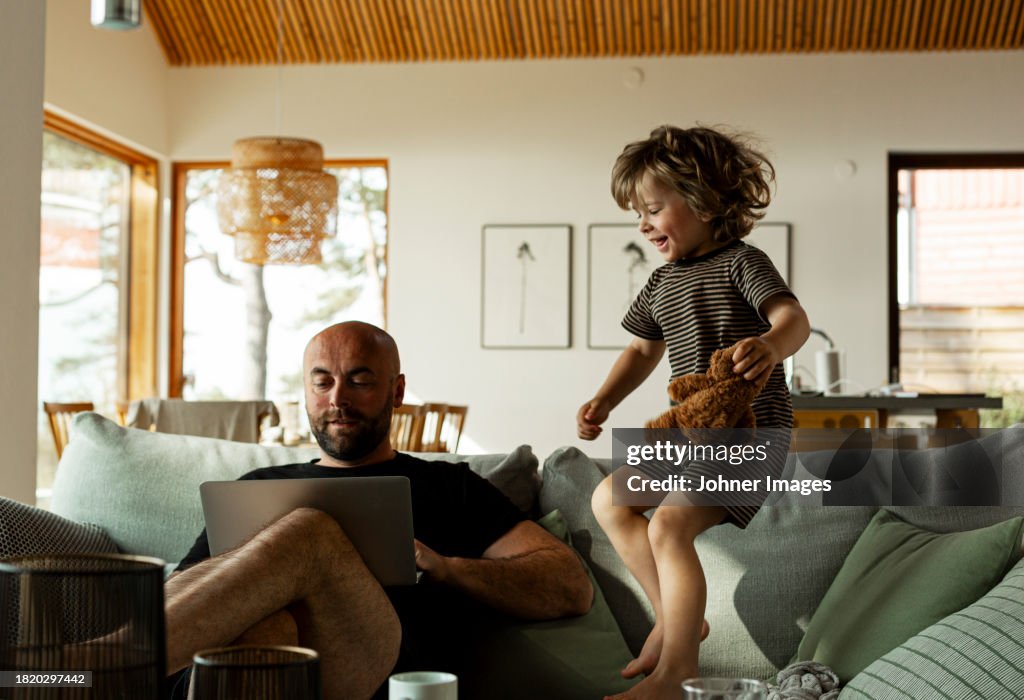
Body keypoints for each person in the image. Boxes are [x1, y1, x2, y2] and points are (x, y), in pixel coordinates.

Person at [166, 321, 593, 700]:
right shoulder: (257, 488)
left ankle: (106, 666)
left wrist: (446, 568)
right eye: (322, 382)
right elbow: (192, 594)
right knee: (269, 633)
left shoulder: (450, 487)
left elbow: (570, 585)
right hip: (225, 678)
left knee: (310, 530)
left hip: (381, 674)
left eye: (359, 380)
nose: (338, 398)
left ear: (398, 390)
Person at [577, 125, 810, 700]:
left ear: (704, 200)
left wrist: (772, 346)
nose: (643, 224)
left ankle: (678, 669)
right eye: (638, 213)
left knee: (670, 523)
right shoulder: (660, 284)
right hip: (691, 436)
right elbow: (640, 350)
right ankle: (676, 619)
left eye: (653, 209)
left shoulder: (742, 262)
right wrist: (605, 399)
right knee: (608, 498)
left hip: (750, 435)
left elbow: (793, 319)